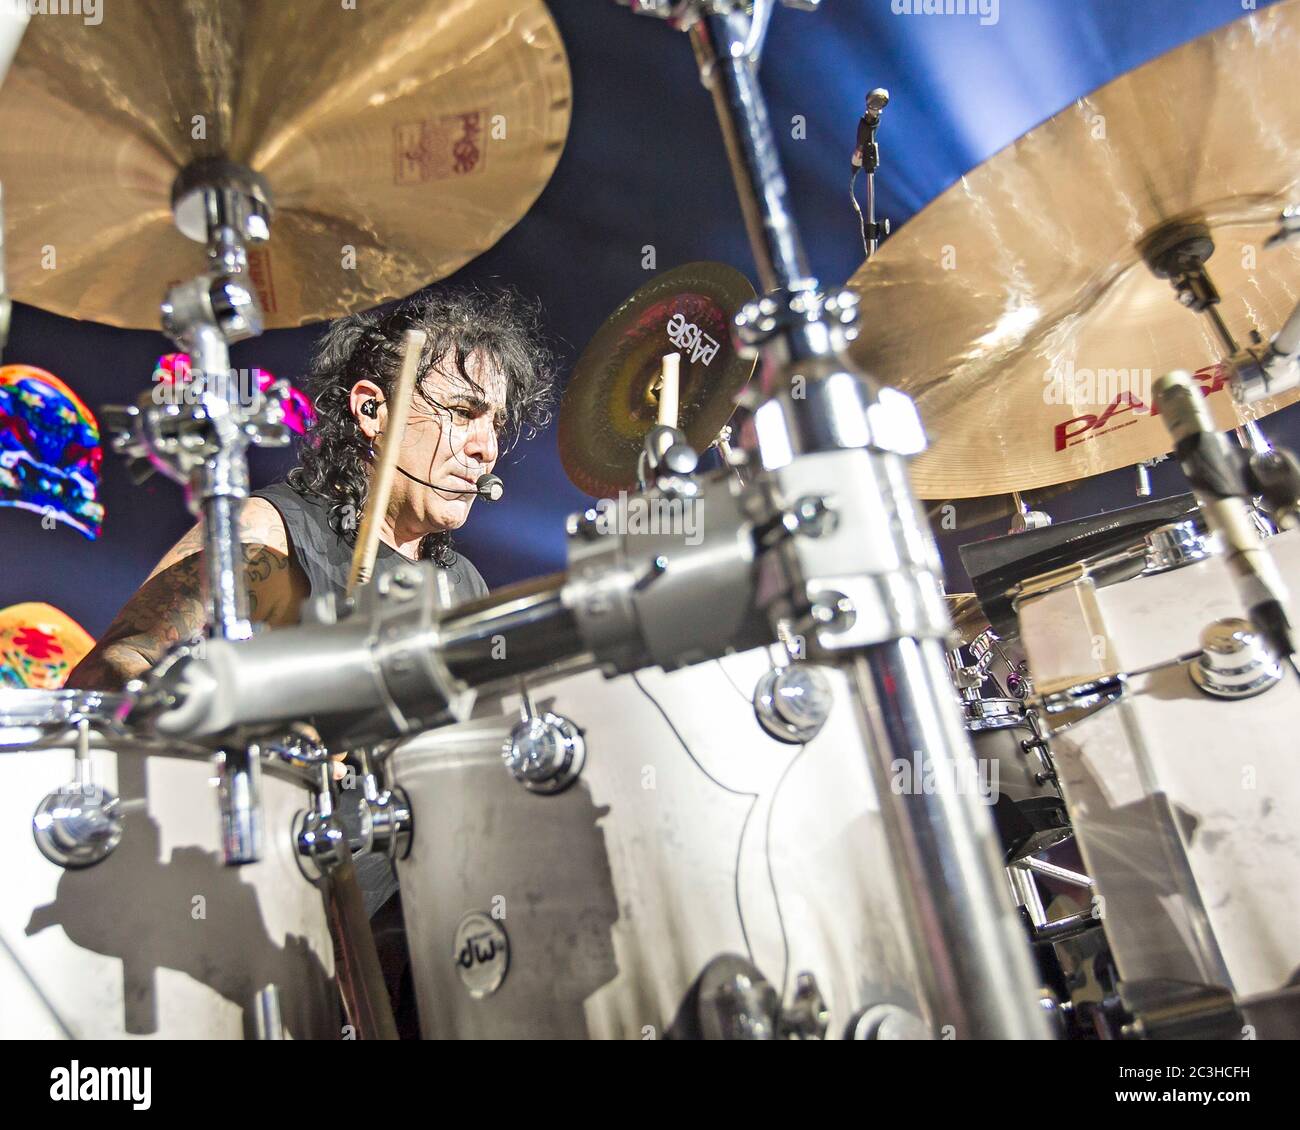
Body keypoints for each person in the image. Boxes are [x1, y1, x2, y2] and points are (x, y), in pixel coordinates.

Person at [67, 285, 557, 1036]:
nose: (487, 447)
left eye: (495, 424)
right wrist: (262, 737)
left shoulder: (464, 588)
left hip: (426, 941)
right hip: (287, 930)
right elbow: (111, 673)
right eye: (462, 413)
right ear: (371, 410)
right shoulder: (271, 533)